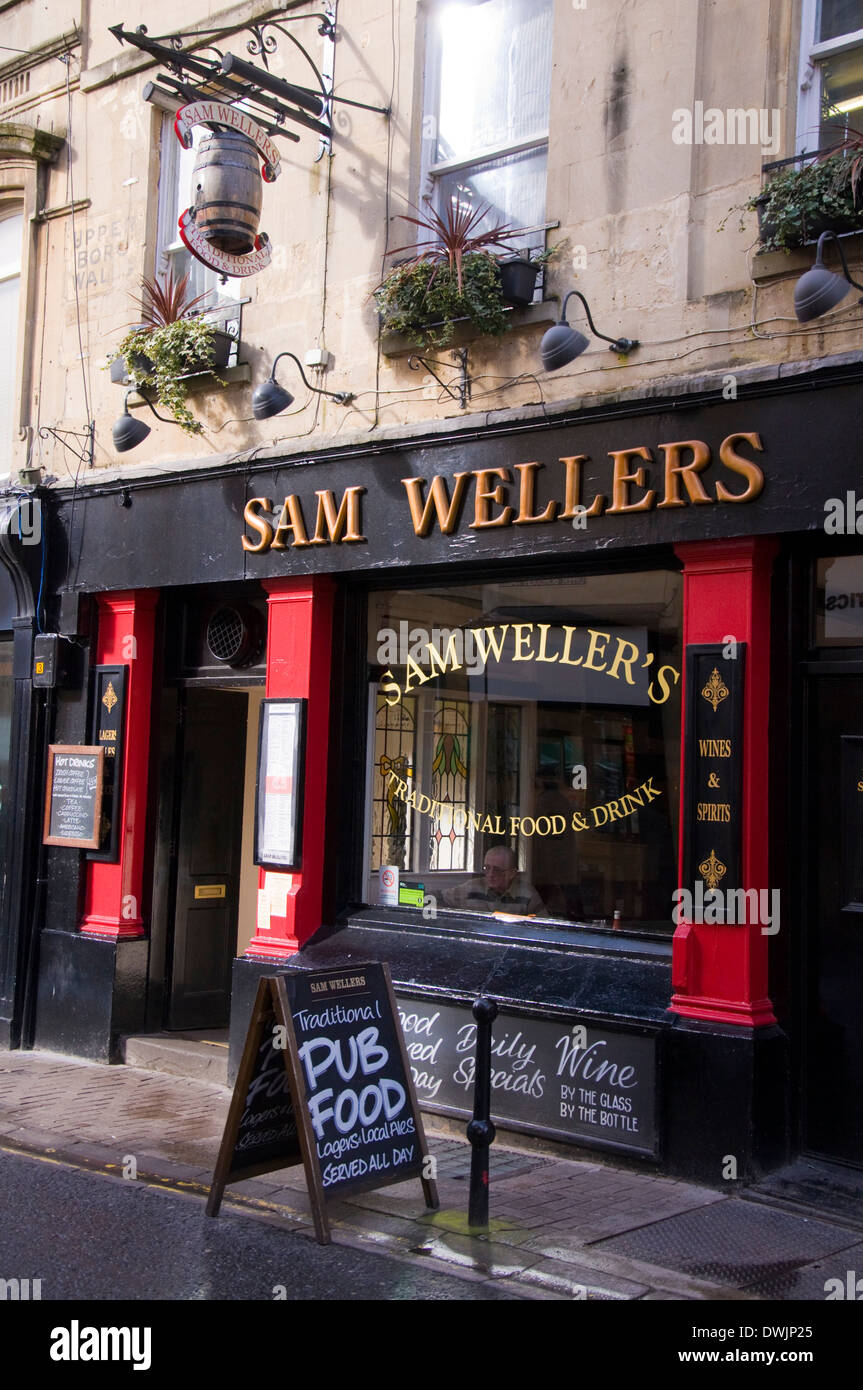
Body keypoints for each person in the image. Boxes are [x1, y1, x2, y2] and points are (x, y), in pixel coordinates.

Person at [444, 845, 547, 915]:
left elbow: (544, 927)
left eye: (497, 870)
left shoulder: (528, 894)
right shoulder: (471, 888)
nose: (490, 874)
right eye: (487, 868)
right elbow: (435, 898)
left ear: (512, 873)